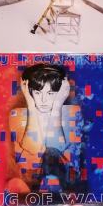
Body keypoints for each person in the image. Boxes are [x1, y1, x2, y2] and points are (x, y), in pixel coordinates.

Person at [7, 64, 83, 197]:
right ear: (29, 91)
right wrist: (31, 104)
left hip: (64, 183)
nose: (43, 100)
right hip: (30, 184)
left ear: (61, 92)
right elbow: (33, 147)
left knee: (52, 154)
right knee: (14, 184)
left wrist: (57, 106)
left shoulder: (72, 113)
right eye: (37, 93)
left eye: (50, 93)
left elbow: (56, 147)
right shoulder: (18, 115)